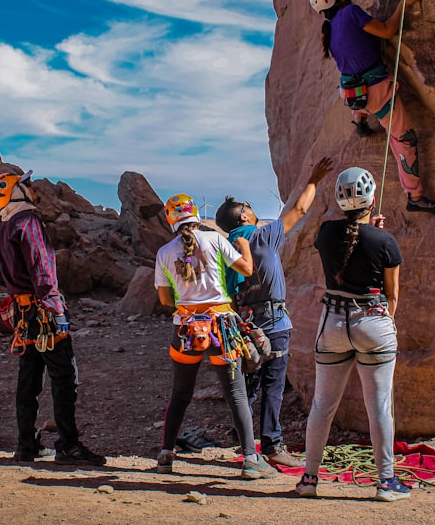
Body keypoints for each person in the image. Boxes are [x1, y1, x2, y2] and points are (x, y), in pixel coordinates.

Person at [294, 166, 412, 502]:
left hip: (332, 323)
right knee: (379, 406)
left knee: (322, 405)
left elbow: (347, 242)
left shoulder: (326, 232)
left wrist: (365, 232)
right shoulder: (385, 241)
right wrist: (384, 326)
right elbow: (392, 295)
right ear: (372, 199)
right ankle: (386, 482)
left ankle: (309, 480)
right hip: (372, 322)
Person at [214, 157, 334, 469]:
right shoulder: (262, 236)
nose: (254, 210)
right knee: (273, 385)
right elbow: (299, 211)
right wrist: (314, 179)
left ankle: (245, 441)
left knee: (248, 385)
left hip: (241, 325)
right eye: (250, 206)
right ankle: (271, 444)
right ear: (244, 214)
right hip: (273, 322)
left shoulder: (222, 247)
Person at [0, 170, 106, 467]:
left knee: (29, 379)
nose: (31, 188)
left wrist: (18, 290)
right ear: (15, 193)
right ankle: (67, 445)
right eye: (25, 185)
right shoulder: (28, 221)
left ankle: (26, 445)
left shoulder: (5, 228)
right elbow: (42, 267)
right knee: (64, 377)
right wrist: (55, 307)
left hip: (23, 314)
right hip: (44, 312)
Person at [154, 193, 277, 480]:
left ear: (170, 218)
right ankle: (250, 459)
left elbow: (164, 300)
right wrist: (245, 246)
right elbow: (246, 269)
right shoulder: (215, 240)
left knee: (180, 394)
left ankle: (165, 454)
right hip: (221, 325)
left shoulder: (164, 252)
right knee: (236, 394)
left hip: (185, 329)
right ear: (195, 213)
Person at [309, 0, 435, 214]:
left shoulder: (330, 28)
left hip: (352, 94)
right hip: (376, 91)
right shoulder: (350, 12)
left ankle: (359, 120)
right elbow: (388, 31)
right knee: (403, 139)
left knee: (354, 80)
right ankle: (414, 195)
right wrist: (404, 3)